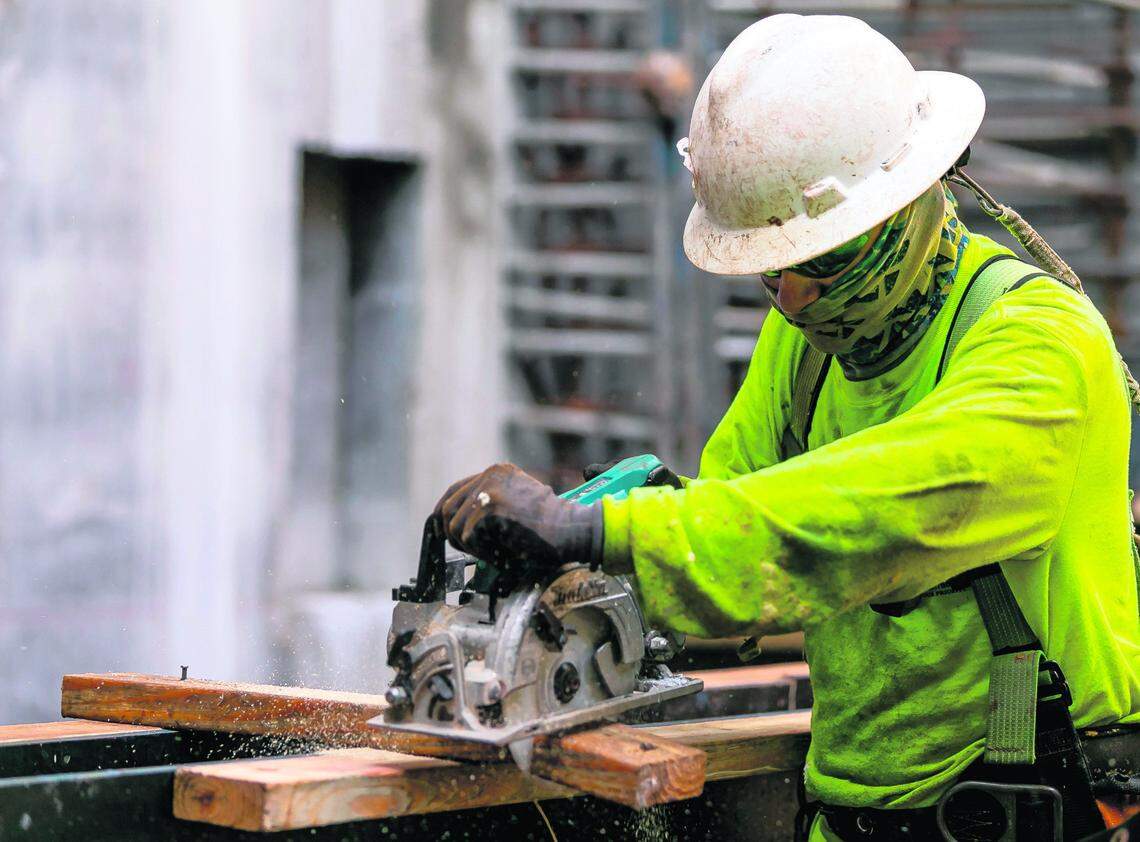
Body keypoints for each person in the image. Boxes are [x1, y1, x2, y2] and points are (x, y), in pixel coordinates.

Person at [433, 14, 1140, 841]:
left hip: (1036, 807)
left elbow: (889, 509)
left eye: (821, 261)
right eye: (773, 272)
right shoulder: (804, 346)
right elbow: (737, 521)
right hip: (850, 811)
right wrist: (576, 574)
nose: (795, 301)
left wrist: (600, 530)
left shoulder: (1041, 343)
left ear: (910, 199)